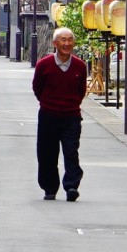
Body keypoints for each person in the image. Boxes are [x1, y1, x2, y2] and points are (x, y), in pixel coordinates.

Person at [32, 27, 88, 201]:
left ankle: (71, 186)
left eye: (70, 40)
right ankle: (49, 188)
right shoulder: (44, 64)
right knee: (47, 153)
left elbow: (81, 91)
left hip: (71, 115)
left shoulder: (80, 65)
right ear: (55, 43)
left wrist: (71, 105)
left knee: (71, 151)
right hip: (48, 114)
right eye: (63, 40)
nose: (67, 43)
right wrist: (48, 103)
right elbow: (37, 88)